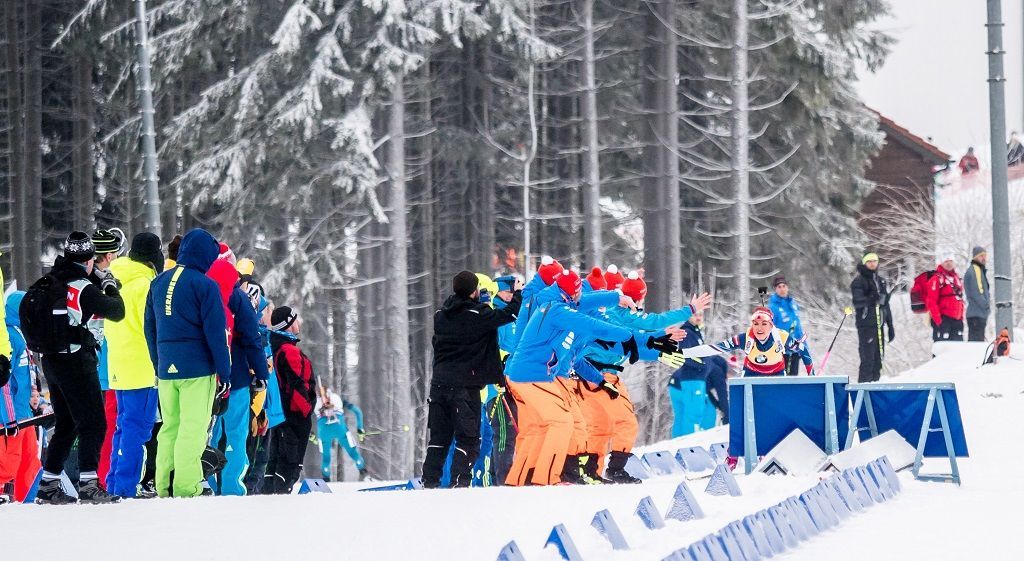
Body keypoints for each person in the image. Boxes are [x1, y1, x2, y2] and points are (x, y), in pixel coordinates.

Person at [503, 269, 678, 486]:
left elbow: (594, 339)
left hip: (529, 374)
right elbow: (596, 326)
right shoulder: (559, 311)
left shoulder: (561, 303)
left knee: (538, 429)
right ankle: (547, 480)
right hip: (533, 375)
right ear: (573, 293)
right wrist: (640, 337)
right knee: (563, 423)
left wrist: (618, 299)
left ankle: (521, 481)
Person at [35, 232, 125, 504]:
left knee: (67, 422)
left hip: (51, 360)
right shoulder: (82, 287)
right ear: (88, 261)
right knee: (94, 422)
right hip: (75, 361)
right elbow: (116, 310)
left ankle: (49, 483)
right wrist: (109, 284)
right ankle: (88, 483)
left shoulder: (52, 280)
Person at [145, 228, 231, 498]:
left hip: (167, 368)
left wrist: (158, 362)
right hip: (197, 369)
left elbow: (150, 328)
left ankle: (165, 484)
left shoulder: (158, 283)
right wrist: (224, 372)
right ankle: (186, 486)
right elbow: (216, 333)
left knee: (170, 426)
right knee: (192, 428)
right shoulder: (205, 285)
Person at [422, 271, 522, 488]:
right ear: (474, 291)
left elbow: (462, 316)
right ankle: (460, 482)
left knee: (439, 439)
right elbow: (511, 314)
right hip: (464, 387)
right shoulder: (478, 315)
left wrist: (480, 306)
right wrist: (519, 293)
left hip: (439, 385)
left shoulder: (441, 315)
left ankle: (429, 482)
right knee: (469, 438)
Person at [105, 233, 164, 498]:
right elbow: (151, 327)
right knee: (138, 429)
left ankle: (115, 483)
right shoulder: (145, 285)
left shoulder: (116, 279)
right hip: (142, 365)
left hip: (118, 363)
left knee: (123, 426)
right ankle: (126, 487)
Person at [207, 257, 270, 496]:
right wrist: (261, 373)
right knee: (235, 433)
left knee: (211, 434)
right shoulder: (238, 299)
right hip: (238, 377)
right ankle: (233, 486)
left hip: (209, 378)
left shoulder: (203, 293)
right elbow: (253, 340)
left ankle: (208, 484)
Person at [265, 306, 317, 494]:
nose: (298, 322)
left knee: (277, 461)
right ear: (288, 324)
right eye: (295, 319)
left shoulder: (278, 346)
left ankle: (269, 497)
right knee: (290, 465)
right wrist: (306, 410)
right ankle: (280, 502)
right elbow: (296, 384)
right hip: (294, 415)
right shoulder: (289, 351)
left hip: (283, 415)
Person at [677, 307, 811, 377]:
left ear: (771, 326)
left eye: (764, 324)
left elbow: (802, 348)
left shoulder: (782, 337)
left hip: (776, 373)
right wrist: (683, 352)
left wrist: (811, 373)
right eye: (755, 324)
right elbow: (714, 348)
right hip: (752, 373)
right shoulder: (745, 338)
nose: (759, 328)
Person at [91, 228, 125, 490]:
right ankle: (100, 481)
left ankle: (98, 479)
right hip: (106, 369)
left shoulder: (89, 280)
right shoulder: (101, 283)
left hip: (98, 368)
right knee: (107, 430)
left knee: (102, 429)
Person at [0, 291, 41, 503]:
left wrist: (37, 400)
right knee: (9, 462)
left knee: (30, 463)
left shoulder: (21, 334)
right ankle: (6, 497)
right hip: (11, 417)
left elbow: (27, 375)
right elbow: (4, 382)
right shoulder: (9, 336)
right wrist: (8, 417)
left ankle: (27, 500)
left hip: (24, 414)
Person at [668, 312, 717, 438]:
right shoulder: (687, 332)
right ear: (688, 316)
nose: (699, 317)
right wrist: (703, 364)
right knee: (693, 413)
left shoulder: (695, 332)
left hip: (695, 379)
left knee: (685, 414)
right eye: (695, 315)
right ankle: (686, 444)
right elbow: (684, 355)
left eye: (701, 314)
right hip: (692, 378)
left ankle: (676, 444)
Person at [850, 252, 894, 383]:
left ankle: (875, 390)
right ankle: (862, 391)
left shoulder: (880, 281)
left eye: (875, 261)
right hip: (867, 325)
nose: (872, 264)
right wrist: (871, 299)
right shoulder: (859, 281)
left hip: (879, 324)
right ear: (864, 263)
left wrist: (890, 325)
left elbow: (885, 304)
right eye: (869, 261)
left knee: (878, 360)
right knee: (867, 360)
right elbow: (857, 301)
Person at [316, 390, 367, 481]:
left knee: (326, 458)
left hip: (323, 431)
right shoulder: (338, 399)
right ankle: (364, 473)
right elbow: (357, 411)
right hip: (340, 428)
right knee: (353, 453)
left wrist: (311, 436)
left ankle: (326, 480)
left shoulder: (315, 403)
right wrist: (360, 429)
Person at [767, 276, 813, 376]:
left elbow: (798, 327)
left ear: (787, 287)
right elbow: (769, 329)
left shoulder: (793, 304)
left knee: (793, 379)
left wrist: (804, 346)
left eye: (784, 286)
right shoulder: (772, 307)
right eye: (779, 287)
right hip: (781, 350)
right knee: (781, 380)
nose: (782, 289)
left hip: (795, 349)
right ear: (775, 289)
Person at [926, 252, 965, 342]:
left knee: (957, 349)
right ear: (941, 263)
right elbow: (931, 301)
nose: (948, 263)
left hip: (957, 320)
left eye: (950, 261)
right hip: (944, 320)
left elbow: (960, 299)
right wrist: (938, 321)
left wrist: (961, 318)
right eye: (946, 261)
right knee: (942, 349)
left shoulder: (956, 278)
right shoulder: (937, 279)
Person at [963, 246, 990, 342]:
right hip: (976, 314)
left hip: (977, 314)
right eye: (981, 256)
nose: (983, 258)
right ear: (975, 257)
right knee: (976, 346)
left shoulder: (979, 270)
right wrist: (986, 306)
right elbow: (977, 292)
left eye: (985, 256)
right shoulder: (975, 270)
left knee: (976, 344)